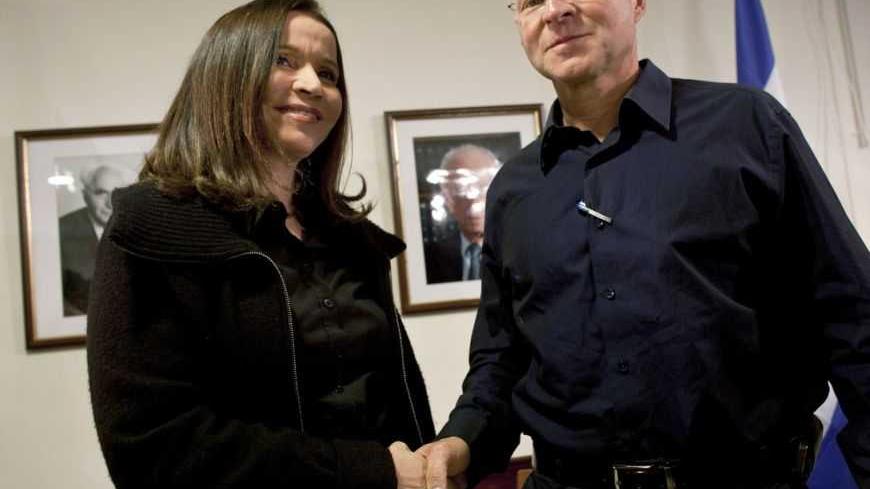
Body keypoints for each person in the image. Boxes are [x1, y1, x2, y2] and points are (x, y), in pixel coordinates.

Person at [420, 1, 870, 488]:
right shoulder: (513, 189)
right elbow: (502, 359)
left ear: (637, 4)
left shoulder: (747, 125)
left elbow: (852, 316)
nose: (555, 10)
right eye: (531, 0)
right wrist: (463, 439)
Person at [86, 1, 435, 488]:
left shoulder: (349, 236)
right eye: (284, 60)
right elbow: (152, 447)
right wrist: (370, 471)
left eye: (329, 73)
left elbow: (394, 399)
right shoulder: (150, 227)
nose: (313, 84)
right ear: (226, 75)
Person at [58, 165, 131, 315]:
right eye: (101, 193)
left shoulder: (143, 227)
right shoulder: (60, 231)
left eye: (117, 193)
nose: (110, 203)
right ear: (85, 196)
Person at [423, 145, 501, 284]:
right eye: (461, 189)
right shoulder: (429, 258)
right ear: (447, 197)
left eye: (483, 187)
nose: (473, 201)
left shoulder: (522, 253)